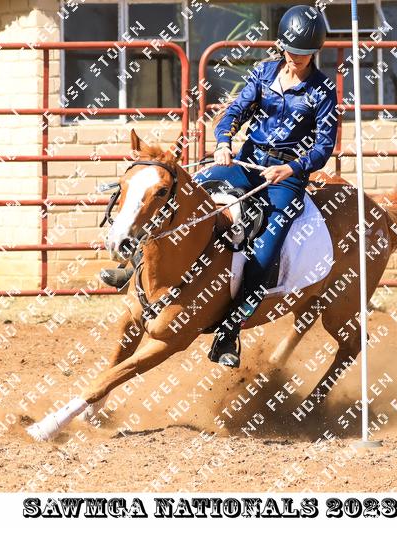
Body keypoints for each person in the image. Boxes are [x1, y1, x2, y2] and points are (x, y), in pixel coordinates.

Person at [100, 5, 339, 369]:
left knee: (264, 253)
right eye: (293, 50)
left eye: (305, 53)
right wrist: (224, 141)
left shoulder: (322, 90)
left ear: (315, 52)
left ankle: (229, 330)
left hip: (286, 181)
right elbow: (234, 113)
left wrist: (291, 167)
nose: (298, 58)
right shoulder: (264, 73)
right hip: (245, 162)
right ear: (282, 46)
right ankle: (133, 268)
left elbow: (323, 146)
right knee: (180, 201)